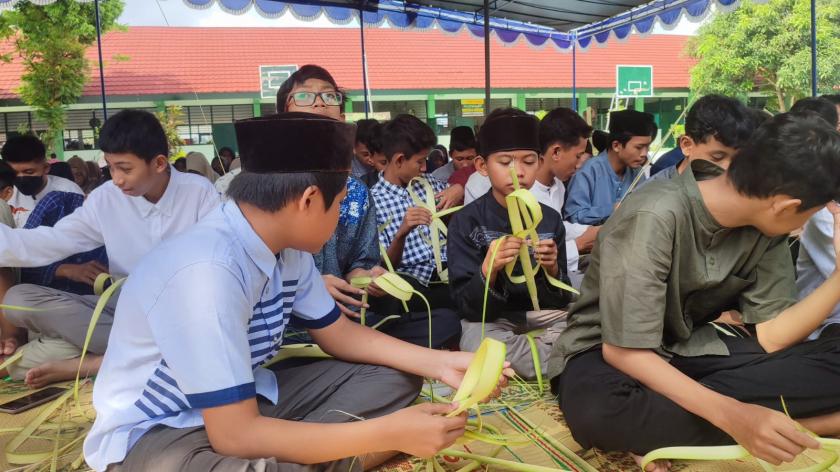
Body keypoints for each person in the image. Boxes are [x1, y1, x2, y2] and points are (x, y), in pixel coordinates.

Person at [84, 112, 506, 472]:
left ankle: (301, 451)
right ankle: (317, 452)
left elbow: (340, 334)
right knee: (241, 453)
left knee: (394, 376)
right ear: (308, 199)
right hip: (161, 430)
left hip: (247, 401)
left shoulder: (287, 249)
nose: (339, 217)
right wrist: (386, 433)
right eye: (338, 204)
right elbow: (233, 435)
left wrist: (442, 363)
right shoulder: (206, 273)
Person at [549, 112, 840, 471]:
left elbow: (772, 337)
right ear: (786, 207)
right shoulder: (654, 214)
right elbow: (624, 352)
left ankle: (663, 424)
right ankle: (817, 423)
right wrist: (735, 416)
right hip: (606, 351)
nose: (803, 225)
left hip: (689, 344)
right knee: (602, 413)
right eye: (808, 215)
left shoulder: (767, 228)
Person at [0, 109, 220, 389]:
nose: (116, 178)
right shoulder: (106, 198)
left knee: (31, 360)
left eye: (125, 169)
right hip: (123, 308)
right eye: (111, 167)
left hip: (182, 313)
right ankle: (135, 355)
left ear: (159, 163)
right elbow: (53, 240)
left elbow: (216, 270)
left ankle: (96, 361)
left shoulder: (199, 193)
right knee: (18, 299)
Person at [448, 108, 573, 379]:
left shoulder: (549, 219)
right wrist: (488, 270)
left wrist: (552, 269)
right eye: (505, 162)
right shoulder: (466, 221)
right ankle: (560, 359)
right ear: (482, 166)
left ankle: (530, 360)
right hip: (494, 321)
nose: (518, 172)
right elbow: (467, 307)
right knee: (476, 339)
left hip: (542, 315)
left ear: (540, 162)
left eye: (528, 161)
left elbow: (562, 298)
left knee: (596, 318)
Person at [370, 114, 464, 313]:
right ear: (399, 160)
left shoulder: (430, 184)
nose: (424, 167)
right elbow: (385, 267)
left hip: (450, 273)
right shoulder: (373, 202)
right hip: (413, 282)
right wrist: (401, 233)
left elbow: (460, 206)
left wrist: (459, 189)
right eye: (420, 161)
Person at [565, 110, 657, 225]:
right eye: (639, 147)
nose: (644, 153)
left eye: (647, 147)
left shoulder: (637, 173)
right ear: (616, 146)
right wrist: (611, 210)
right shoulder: (589, 172)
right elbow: (574, 216)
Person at [644, 95, 756, 185]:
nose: (728, 169)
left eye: (738, 160)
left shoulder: (740, 190)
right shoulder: (655, 198)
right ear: (687, 145)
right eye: (717, 157)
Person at [1, 135, 83, 227]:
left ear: (46, 168)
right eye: (14, 173)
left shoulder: (69, 193)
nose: (21, 177)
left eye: (29, 172)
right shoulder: (7, 192)